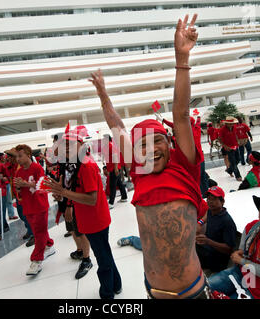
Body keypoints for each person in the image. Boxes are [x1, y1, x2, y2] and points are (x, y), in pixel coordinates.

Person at [86, 14, 213, 299]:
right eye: (142, 145)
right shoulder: (139, 171)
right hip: (153, 292)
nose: (152, 149)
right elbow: (116, 126)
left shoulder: (185, 165)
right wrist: (103, 96)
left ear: (170, 144)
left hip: (192, 292)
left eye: (158, 141)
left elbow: (180, 115)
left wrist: (181, 61)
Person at [45, 131, 122, 299]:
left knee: (102, 258)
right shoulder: (74, 164)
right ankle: (116, 284)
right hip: (88, 218)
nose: (67, 148)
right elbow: (75, 190)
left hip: (95, 219)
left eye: (71, 144)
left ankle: (107, 293)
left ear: (81, 145)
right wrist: (62, 194)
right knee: (105, 253)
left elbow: (92, 199)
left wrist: (64, 192)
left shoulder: (86, 165)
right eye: (64, 145)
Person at [52, 134, 94, 280]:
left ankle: (87, 259)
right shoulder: (63, 161)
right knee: (72, 228)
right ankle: (80, 250)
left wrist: (69, 205)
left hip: (75, 201)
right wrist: (58, 194)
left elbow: (76, 185)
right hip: (65, 199)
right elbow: (64, 181)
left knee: (80, 229)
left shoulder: (79, 161)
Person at [14, 144, 55, 276]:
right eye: (17, 157)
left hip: (40, 205)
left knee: (38, 233)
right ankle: (49, 245)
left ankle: (36, 260)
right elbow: (18, 190)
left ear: (27, 154)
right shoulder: (18, 172)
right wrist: (19, 187)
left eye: (20, 156)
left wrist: (26, 184)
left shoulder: (37, 167)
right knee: (39, 231)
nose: (18, 159)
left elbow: (42, 185)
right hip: (28, 206)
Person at [196, 186, 237, 273]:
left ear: (222, 202)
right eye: (209, 198)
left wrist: (208, 241)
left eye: (214, 199)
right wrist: (200, 223)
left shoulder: (227, 222)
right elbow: (206, 216)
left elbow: (228, 249)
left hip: (217, 259)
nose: (210, 202)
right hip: (207, 249)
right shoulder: (211, 211)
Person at [4, 148, 34, 246]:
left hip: (25, 195)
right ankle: (29, 230)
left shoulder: (21, 166)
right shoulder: (11, 166)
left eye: (10, 156)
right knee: (22, 215)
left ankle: (33, 234)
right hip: (17, 195)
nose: (8, 158)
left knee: (28, 215)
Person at [102, 135, 128, 209]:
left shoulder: (111, 146)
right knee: (119, 183)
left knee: (112, 185)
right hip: (112, 168)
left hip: (115, 168)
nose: (103, 140)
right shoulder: (107, 147)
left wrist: (116, 168)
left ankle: (111, 202)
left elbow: (115, 157)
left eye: (104, 139)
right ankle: (124, 197)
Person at [218, 117, 242, 181]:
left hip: (235, 146)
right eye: (230, 124)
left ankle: (229, 170)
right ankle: (238, 176)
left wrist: (238, 141)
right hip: (228, 148)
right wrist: (225, 146)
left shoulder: (234, 127)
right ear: (226, 124)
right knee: (233, 162)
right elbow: (219, 139)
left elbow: (235, 135)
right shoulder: (222, 130)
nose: (232, 125)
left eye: (232, 123)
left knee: (238, 159)